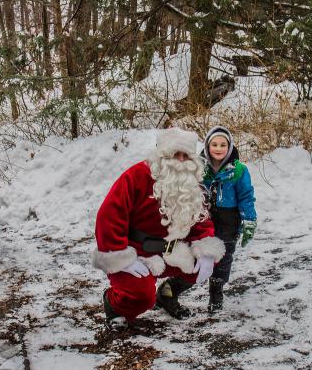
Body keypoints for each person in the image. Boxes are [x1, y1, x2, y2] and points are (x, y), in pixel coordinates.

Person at [92, 127, 226, 329]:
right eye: (174, 154)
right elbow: (108, 217)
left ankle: (167, 292)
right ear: (161, 154)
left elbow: (201, 220)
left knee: (202, 265)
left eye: (185, 156)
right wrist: (120, 257)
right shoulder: (135, 176)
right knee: (141, 298)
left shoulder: (191, 183)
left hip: (171, 252)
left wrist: (206, 250)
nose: (180, 161)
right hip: (136, 253)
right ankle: (114, 304)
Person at [201, 126, 256, 313]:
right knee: (203, 254)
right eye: (214, 144)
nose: (218, 148)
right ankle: (174, 288)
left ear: (230, 146)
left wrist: (249, 220)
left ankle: (216, 291)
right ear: (207, 146)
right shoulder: (200, 168)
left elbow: (246, 197)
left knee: (224, 257)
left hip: (229, 220)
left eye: (223, 144)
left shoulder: (239, 170)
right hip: (206, 219)